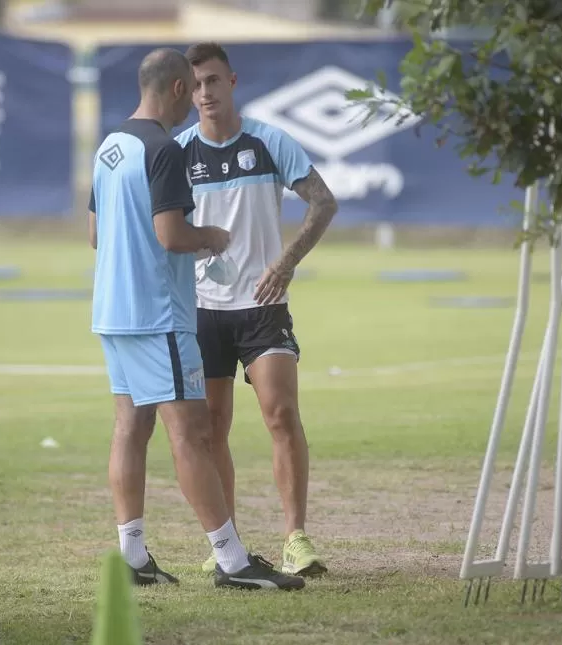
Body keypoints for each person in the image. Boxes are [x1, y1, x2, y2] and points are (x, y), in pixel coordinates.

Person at [87, 48, 305, 591]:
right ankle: (232, 561)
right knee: (190, 433)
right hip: (159, 314)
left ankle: (132, 555)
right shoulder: (163, 149)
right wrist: (212, 237)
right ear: (180, 89)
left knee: (130, 428)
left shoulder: (110, 147)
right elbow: (171, 236)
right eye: (195, 87)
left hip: (111, 312)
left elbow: (95, 235)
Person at [175, 42, 339, 577]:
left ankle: (295, 538)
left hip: (263, 306)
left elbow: (323, 199)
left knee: (281, 415)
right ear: (186, 89)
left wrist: (287, 263)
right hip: (202, 310)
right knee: (211, 428)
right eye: (197, 84)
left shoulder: (268, 141)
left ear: (232, 82)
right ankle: (230, 546)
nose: (206, 93)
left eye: (214, 81)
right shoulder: (177, 153)